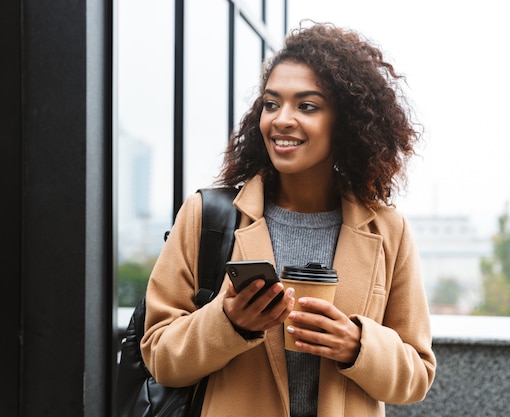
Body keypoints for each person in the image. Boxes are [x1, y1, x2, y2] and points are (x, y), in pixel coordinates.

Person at [142, 21, 436, 417]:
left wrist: (357, 345)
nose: (281, 119)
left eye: (307, 106)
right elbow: (159, 356)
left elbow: (417, 375)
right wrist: (229, 323)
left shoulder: (387, 230)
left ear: (344, 122)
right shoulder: (207, 216)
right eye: (271, 103)